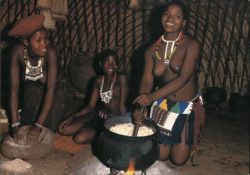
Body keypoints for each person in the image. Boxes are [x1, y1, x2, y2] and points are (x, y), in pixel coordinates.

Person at [133, 1, 205, 166]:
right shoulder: (151, 50)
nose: (170, 19)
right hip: (162, 105)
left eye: (177, 16)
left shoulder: (191, 45)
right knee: (161, 157)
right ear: (161, 17)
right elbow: (146, 80)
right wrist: (141, 106)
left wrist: (151, 96)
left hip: (185, 107)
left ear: (184, 22)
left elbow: (183, 78)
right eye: (167, 14)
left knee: (178, 160)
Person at [59, 50, 128, 144]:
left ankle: (103, 134)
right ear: (101, 64)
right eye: (107, 62)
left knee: (79, 138)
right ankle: (98, 132)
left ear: (118, 65)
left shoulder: (121, 79)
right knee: (65, 129)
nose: (111, 66)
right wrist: (73, 116)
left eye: (114, 62)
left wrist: (124, 126)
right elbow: (90, 106)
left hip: (114, 120)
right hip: (98, 116)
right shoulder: (98, 80)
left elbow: (122, 106)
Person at [8, 15, 58, 143]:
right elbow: (13, 91)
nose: (44, 44)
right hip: (31, 91)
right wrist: (14, 126)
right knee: (24, 126)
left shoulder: (50, 53)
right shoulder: (18, 52)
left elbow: (51, 90)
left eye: (46, 39)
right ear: (26, 42)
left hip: (56, 91)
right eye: (39, 40)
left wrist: (38, 126)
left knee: (48, 127)